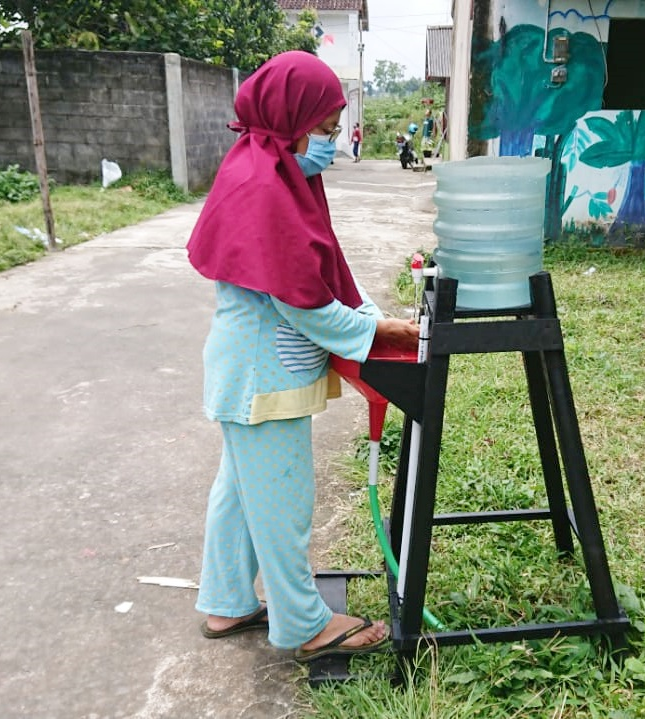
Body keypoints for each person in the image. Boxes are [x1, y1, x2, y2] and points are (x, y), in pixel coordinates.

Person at [185, 51, 419, 663]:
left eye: (335, 131)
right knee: (284, 507)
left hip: (247, 375)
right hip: (264, 381)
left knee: (240, 494)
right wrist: (381, 335)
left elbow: (324, 269)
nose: (331, 145)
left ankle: (226, 601)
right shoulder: (264, 185)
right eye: (324, 130)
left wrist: (371, 315)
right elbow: (304, 305)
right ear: (290, 119)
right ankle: (302, 624)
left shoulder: (277, 170)